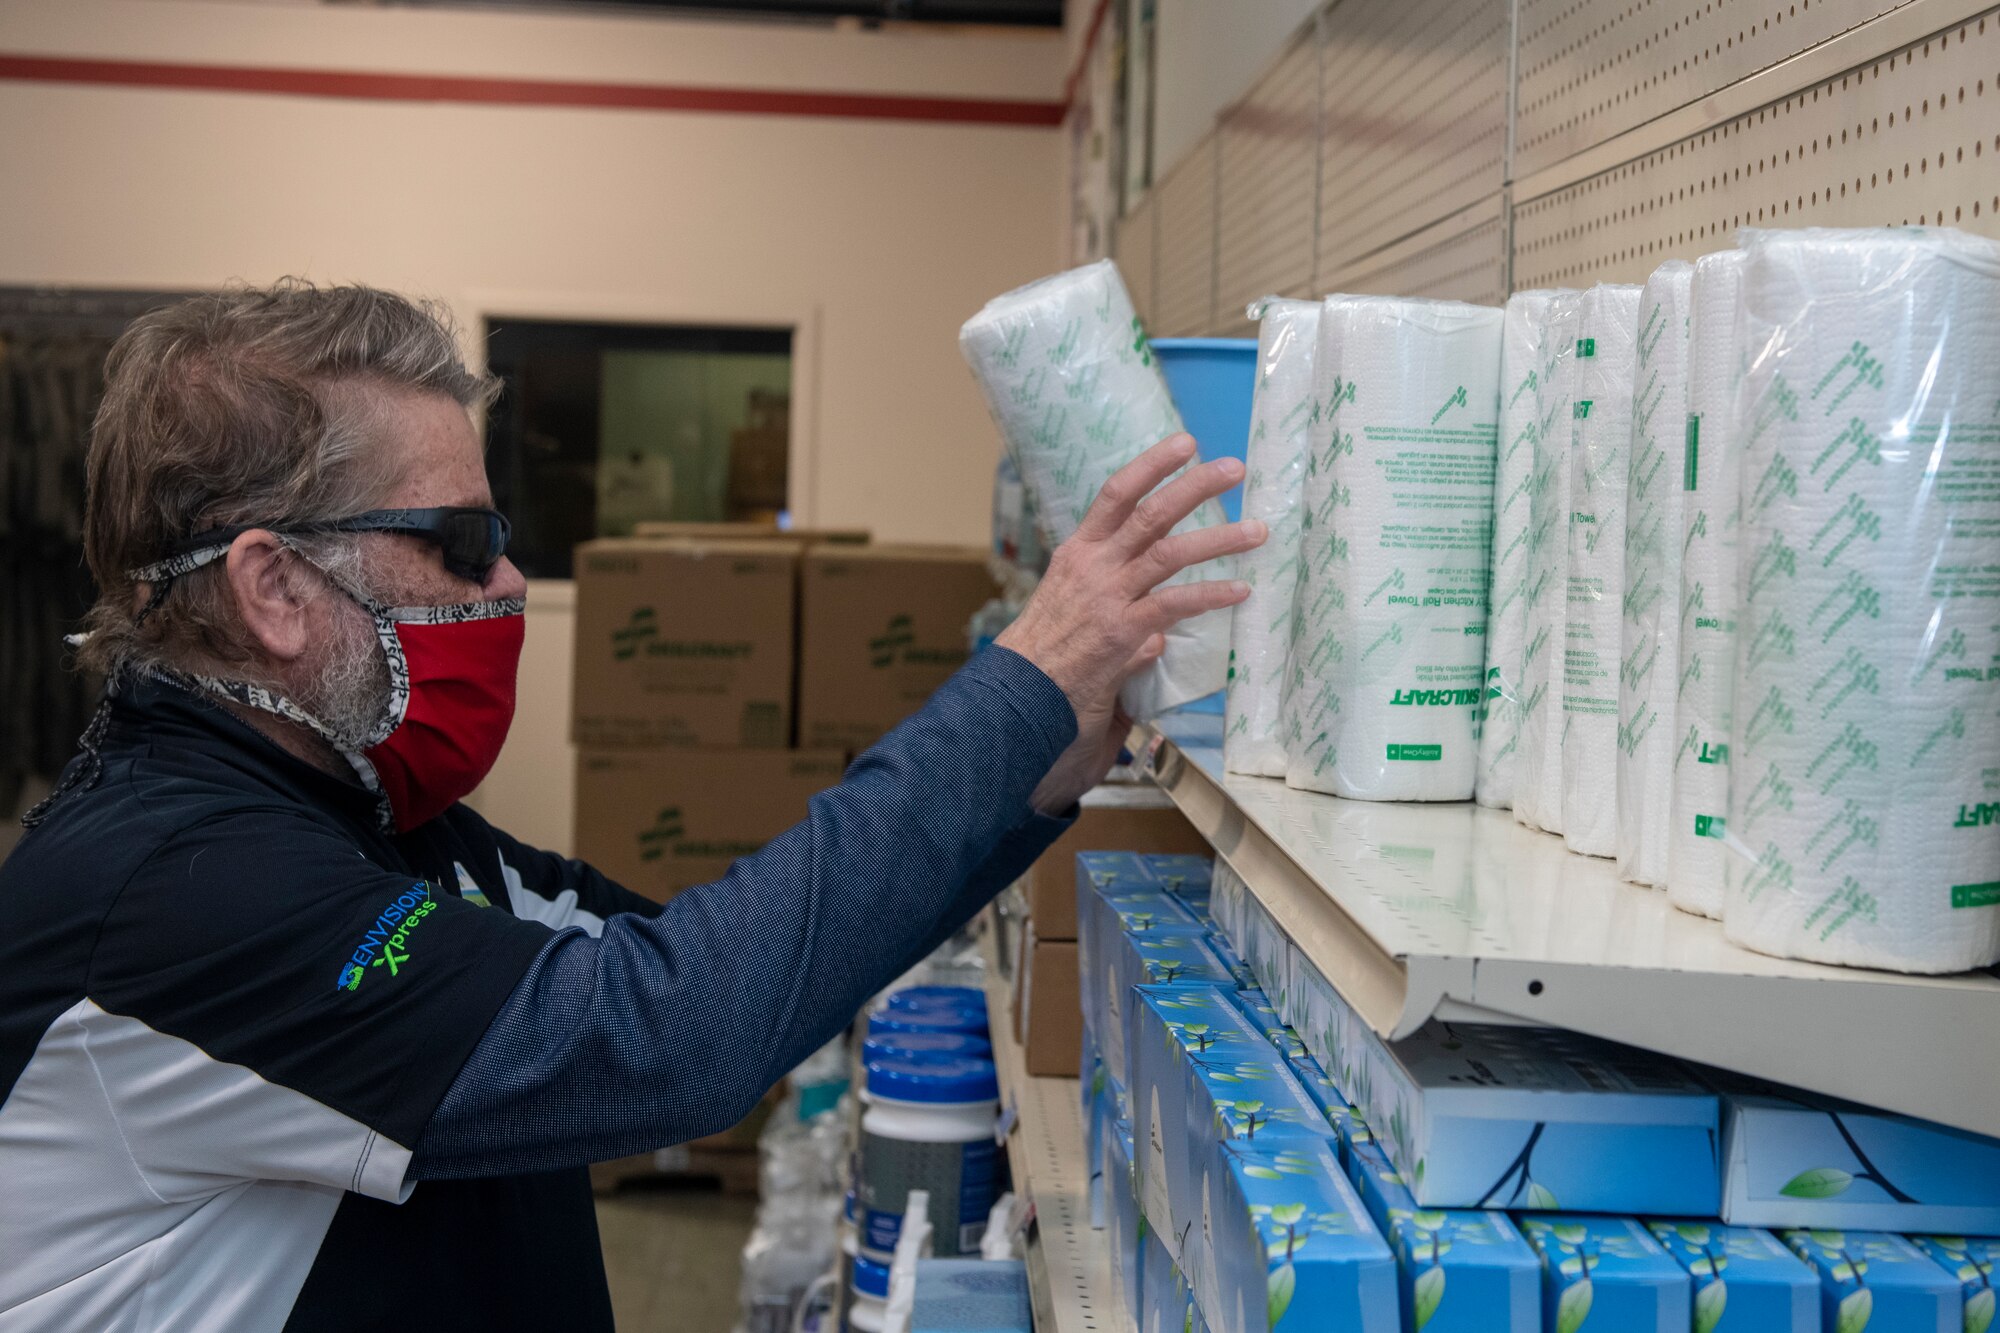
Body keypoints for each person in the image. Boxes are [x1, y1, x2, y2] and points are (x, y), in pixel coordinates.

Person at [0, 282, 1262, 1330]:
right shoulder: (169, 896)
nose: (507, 575)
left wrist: (1038, 758)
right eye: (464, 536)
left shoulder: (363, 822)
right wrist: (1019, 682)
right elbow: (666, 1034)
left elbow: (703, 967)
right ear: (273, 586)